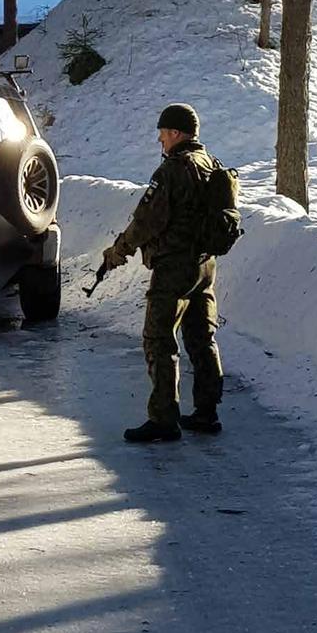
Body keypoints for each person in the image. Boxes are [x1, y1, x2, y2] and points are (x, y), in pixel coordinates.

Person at [100, 103, 224, 443]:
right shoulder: (210, 164)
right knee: (201, 337)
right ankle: (207, 411)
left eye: (162, 135)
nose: (160, 142)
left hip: (174, 267)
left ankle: (164, 418)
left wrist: (118, 251)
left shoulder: (172, 171)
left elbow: (146, 221)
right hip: (204, 265)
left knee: (159, 338)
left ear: (176, 133)